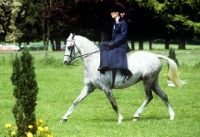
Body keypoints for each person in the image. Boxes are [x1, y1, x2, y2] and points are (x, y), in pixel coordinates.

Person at [98, 3, 133, 83]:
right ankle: (104, 65)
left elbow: (123, 36)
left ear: (117, 12)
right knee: (102, 44)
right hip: (115, 43)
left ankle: (127, 71)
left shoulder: (123, 23)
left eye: (112, 12)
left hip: (121, 45)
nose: (111, 13)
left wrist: (114, 43)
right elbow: (114, 36)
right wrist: (111, 42)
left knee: (105, 46)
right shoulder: (115, 22)